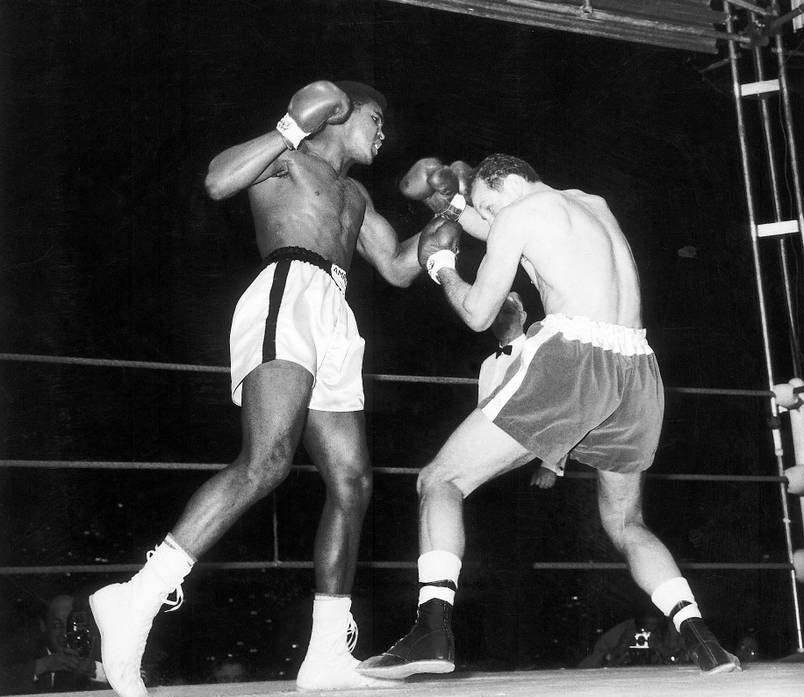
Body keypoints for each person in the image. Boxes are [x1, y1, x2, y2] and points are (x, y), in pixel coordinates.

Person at [89, 80, 457, 697]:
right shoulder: (288, 157)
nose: (384, 133)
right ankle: (136, 598)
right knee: (266, 460)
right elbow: (217, 181)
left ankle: (325, 653)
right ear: (337, 112)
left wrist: (452, 214)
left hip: (336, 313)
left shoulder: (357, 193)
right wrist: (291, 125)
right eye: (375, 119)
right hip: (288, 289)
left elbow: (396, 266)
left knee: (352, 482)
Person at [358, 153, 742, 679]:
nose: (487, 219)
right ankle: (703, 641)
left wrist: (441, 267)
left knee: (439, 480)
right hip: (636, 368)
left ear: (507, 184)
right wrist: (452, 206)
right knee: (626, 522)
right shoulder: (590, 203)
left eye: (487, 206)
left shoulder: (516, 214)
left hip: (573, 362)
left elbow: (478, 314)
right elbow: (507, 229)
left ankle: (431, 632)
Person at [477, 291, 565, 489]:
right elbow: (481, 412)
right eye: (495, 314)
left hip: (528, 460)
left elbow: (561, 410)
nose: (500, 320)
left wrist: (549, 466)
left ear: (523, 317)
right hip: (489, 461)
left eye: (507, 312)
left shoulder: (538, 354)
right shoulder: (487, 364)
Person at [0, 594, 109, 694]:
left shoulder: (99, 650)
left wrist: (94, 670)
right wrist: (44, 665)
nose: (65, 634)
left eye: (71, 625)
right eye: (57, 625)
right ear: (43, 626)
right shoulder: (21, 652)